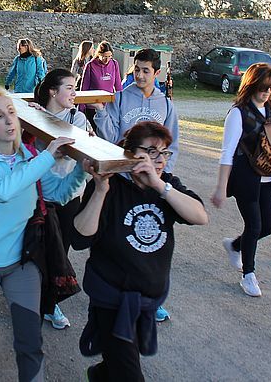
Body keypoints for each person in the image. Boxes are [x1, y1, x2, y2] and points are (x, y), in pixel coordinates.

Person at [0, 88, 85, 382]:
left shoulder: (29, 155)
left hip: (22, 261)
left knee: (30, 339)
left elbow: (58, 193)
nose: (9, 122)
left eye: (12, 113)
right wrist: (47, 156)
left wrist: (83, 169)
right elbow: (3, 191)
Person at [72, 121, 207, 382]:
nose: (159, 160)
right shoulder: (111, 186)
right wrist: (100, 190)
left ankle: (101, 374)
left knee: (118, 364)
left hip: (146, 301)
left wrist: (159, 186)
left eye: (165, 153)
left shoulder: (166, 186)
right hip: (111, 299)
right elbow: (79, 238)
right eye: (152, 152)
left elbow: (200, 216)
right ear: (131, 153)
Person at [89, 48, 180, 321]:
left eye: (145, 71)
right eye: (136, 70)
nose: (139, 75)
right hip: (124, 179)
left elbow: (172, 142)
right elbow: (111, 136)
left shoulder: (166, 104)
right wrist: (101, 114)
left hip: (152, 182)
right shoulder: (120, 97)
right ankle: (115, 293)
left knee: (152, 240)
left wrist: (164, 175)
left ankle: (151, 299)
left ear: (157, 73)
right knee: (123, 237)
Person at [212, 62, 271, 297]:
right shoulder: (238, 113)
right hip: (245, 176)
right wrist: (221, 187)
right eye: (263, 87)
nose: (266, 92)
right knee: (254, 225)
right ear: (251, 85)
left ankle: (234, 245)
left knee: (269, 226)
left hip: (268, 176)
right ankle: (248, 275)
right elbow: (227, 151)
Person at [33, 68, 93, 330]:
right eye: (69, 87)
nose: (74, 92)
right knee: (36, 248)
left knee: (61, 250)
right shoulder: (30, 115)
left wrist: (43, 119)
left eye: (74, 87)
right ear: (52, 91)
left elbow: (68, 150)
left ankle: (50, 303)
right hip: (37, 193)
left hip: (69, 194)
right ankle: (32, 296)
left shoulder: (76, 117)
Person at [80, 41, 122, 127]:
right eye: (104, 57)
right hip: (92, 107)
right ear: (99, 55)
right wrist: (81, 107)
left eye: (109, 56)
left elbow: (118, 85)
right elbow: (84, 88)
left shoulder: (114, 64)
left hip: (108, 107)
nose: (107, 60)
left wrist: (122, 103)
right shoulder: (90, 66)